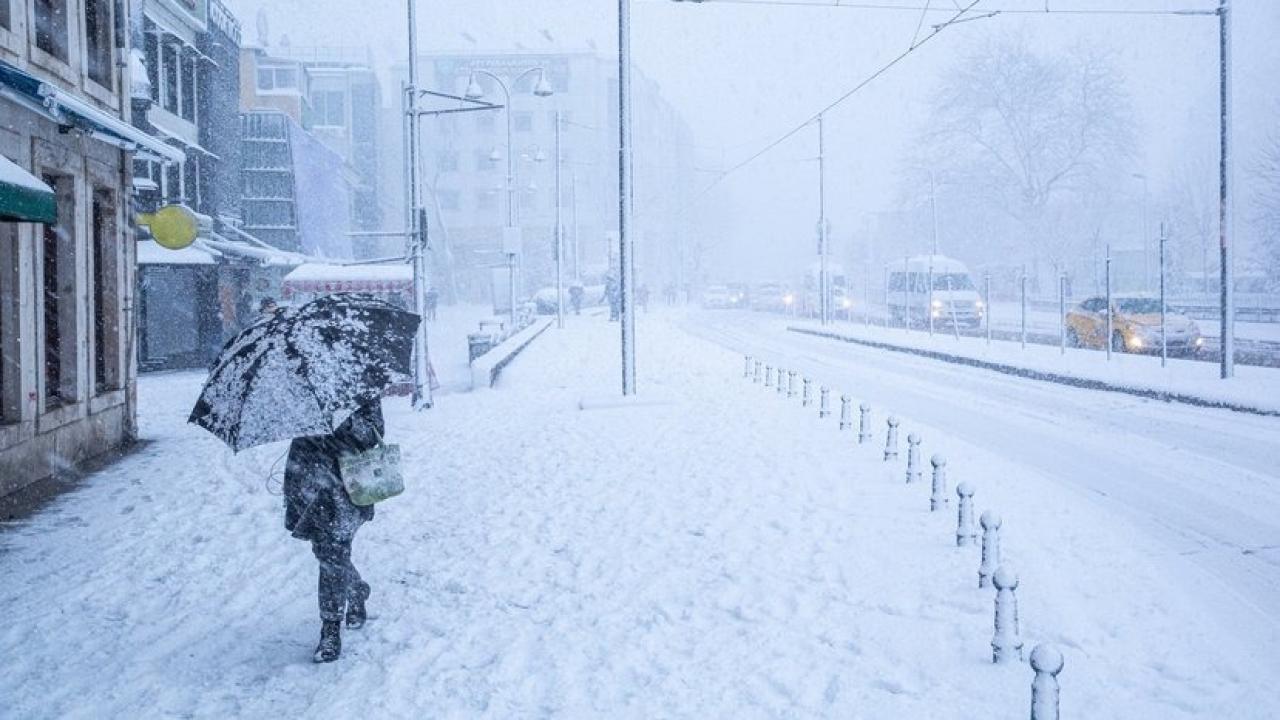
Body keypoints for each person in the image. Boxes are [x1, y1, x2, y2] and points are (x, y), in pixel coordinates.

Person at [284, 399, 384, 663]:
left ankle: (330, 629)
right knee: (325, 552)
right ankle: (356, 590)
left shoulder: (356, 384)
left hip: (347, 486)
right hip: (308, 482)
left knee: (333, 555)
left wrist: (342, 421)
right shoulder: (298, 387)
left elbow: (374, 432)